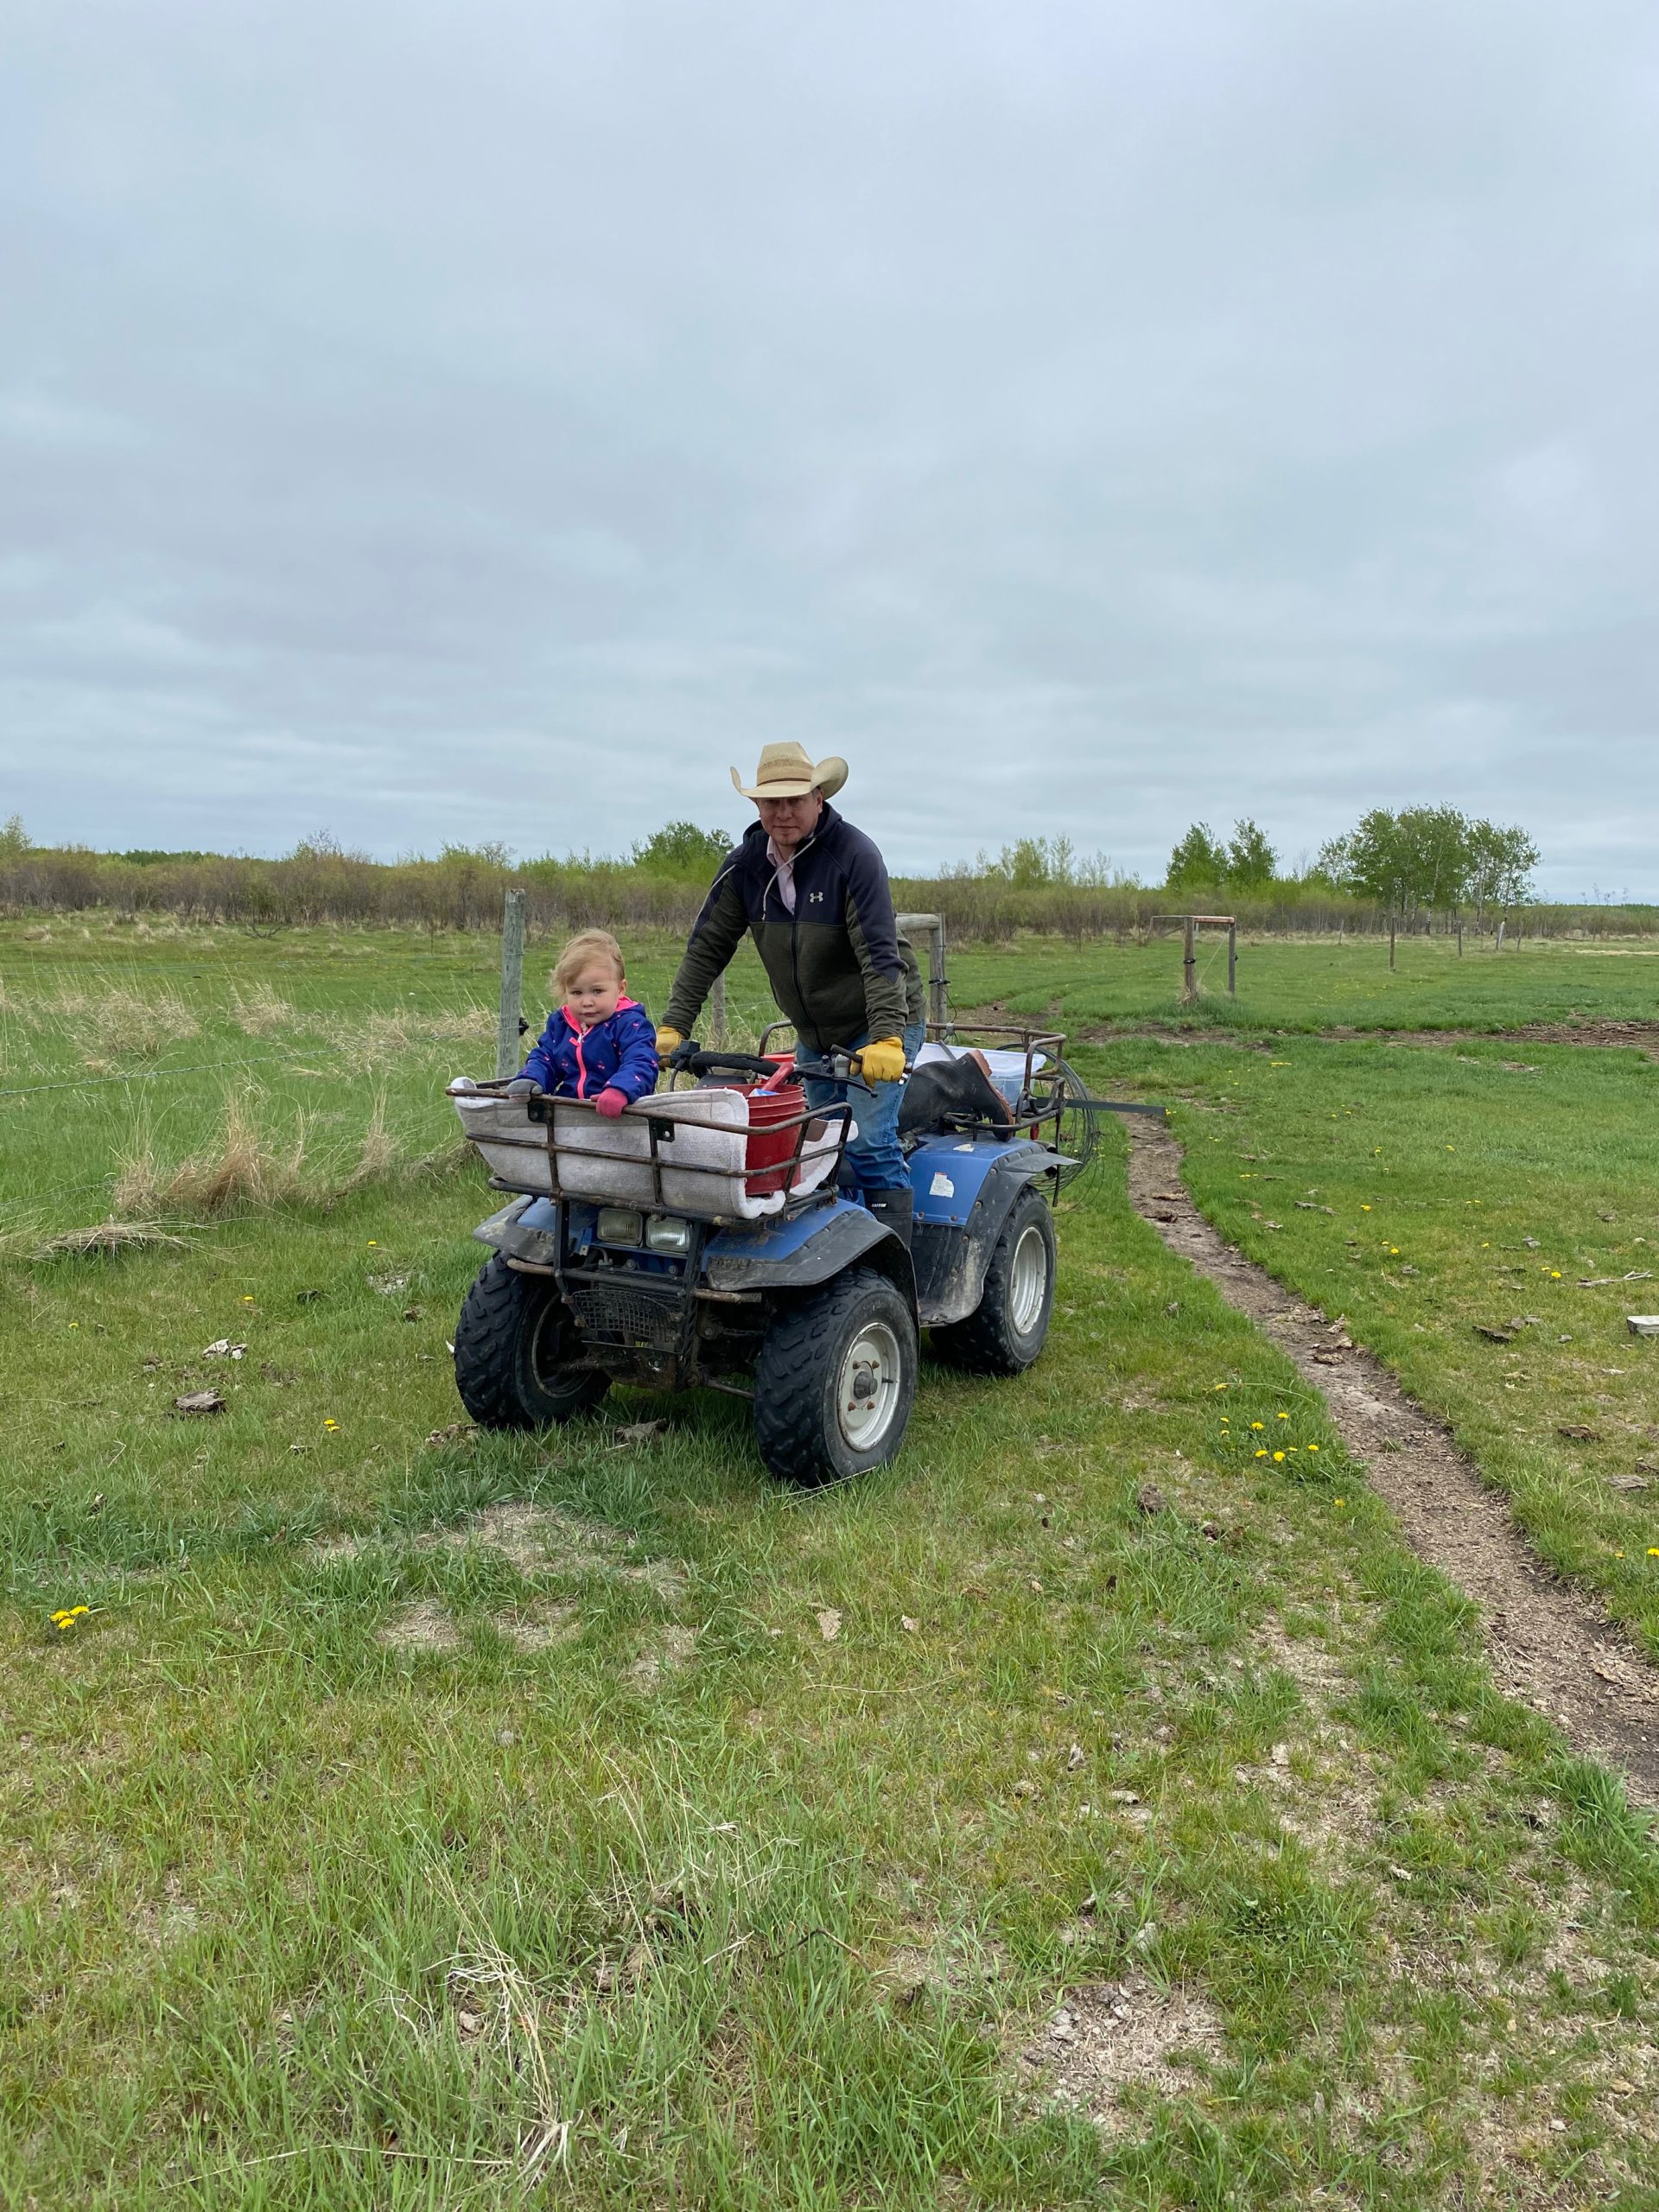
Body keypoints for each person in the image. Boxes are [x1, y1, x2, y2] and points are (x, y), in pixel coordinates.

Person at [656, 743, 925, 1245]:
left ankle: (896, 1271)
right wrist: (676, 1025)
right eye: (771, 802)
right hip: (815, 1032)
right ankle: (844, 1248)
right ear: (756, 806)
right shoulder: (743, 869)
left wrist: (887, 1038)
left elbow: (878, 957)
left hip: (883, 1017)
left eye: (795, 800)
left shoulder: (854, 857)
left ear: (818, 798)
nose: (783, 813)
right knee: (815, 1148)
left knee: (867, 1143)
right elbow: (706, 949)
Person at [505, 929, 658, 1118]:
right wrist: (531, 1078)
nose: (587, 1002)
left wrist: (620, 1090)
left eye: (597, 991)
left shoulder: (631, 1025)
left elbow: (641, 1061)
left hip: (620, 1115)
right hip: (569, 1113)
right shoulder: (561, 1024)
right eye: (577, 993)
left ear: (620, 989)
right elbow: (546, 1059)